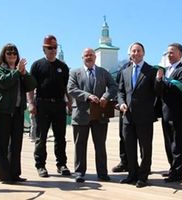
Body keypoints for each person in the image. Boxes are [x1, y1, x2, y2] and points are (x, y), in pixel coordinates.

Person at [67, 48, 117, 183]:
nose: (89, 57)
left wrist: (106, 97)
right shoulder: (74, 72)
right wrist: (88, 96)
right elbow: (71, 89)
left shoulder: (103, 72)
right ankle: (79, 173)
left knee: (100, 145)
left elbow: (113, 86)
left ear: (95, 57)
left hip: (99, 114)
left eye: (91, 55)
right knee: (80, 145)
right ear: (82, 57)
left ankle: (102, 173)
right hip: (80, 114)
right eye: (86, 55)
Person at [0, 43, 37, 184]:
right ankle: (5, 177)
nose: (12, 56)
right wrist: (17, 72)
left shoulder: (20, 70)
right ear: (4, 55)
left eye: (14, 53)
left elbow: (32, 85)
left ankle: (15, 174)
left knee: (16, 145)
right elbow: (3, 83)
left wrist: (23, 74)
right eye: (9, 53)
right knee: (2, 145)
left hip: (17, 112)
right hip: (2, 112)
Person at [27, 35, 71, 178]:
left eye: (55, 47)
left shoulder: (63, 67)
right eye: (49, 48)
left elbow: (67, 88)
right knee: (41, 136)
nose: (53, 50)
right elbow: (30, 87)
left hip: (59, 104)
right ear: (44, 49)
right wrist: (31, 103)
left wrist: (69, 102)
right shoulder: (37, 65)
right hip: (42, 104)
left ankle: (61, 164)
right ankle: (40, 165)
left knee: (60, 137)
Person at [117, 42, 158, 188]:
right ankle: (132, 175)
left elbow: (158, 92)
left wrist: (159, 80)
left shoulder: (152, 71)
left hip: (145, 116)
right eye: (133, 51)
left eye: (139, 50)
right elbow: (120, 92)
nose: (136, 53)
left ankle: (143, 176)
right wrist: (121, 102)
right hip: (128, 117)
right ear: (130, 54)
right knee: (129, 147)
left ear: (143, 53)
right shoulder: (125, 72)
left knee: (145, 148)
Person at [155, 43, 182, 183]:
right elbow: (158, 91)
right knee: (169, 144)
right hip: (165, 113)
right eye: (167, 53)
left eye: (172, 52)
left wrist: (163, 79)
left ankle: (178, 173)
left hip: (178, 113)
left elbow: (177, 89)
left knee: (178, 145)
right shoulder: (165, 71)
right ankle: (172, 169)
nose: (169, 55)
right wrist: (159, 79)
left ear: (180, 54)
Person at [112, 58, 132, 173]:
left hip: (139, 110)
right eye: (132, 53)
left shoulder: (146, 69)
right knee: (123, 136)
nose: (134, 55)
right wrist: (117, 103)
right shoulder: (123, 69)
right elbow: (118, 88)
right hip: (123, 108)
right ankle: (124, 162)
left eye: (137, 51)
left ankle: (142, 164)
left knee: (141, 138)